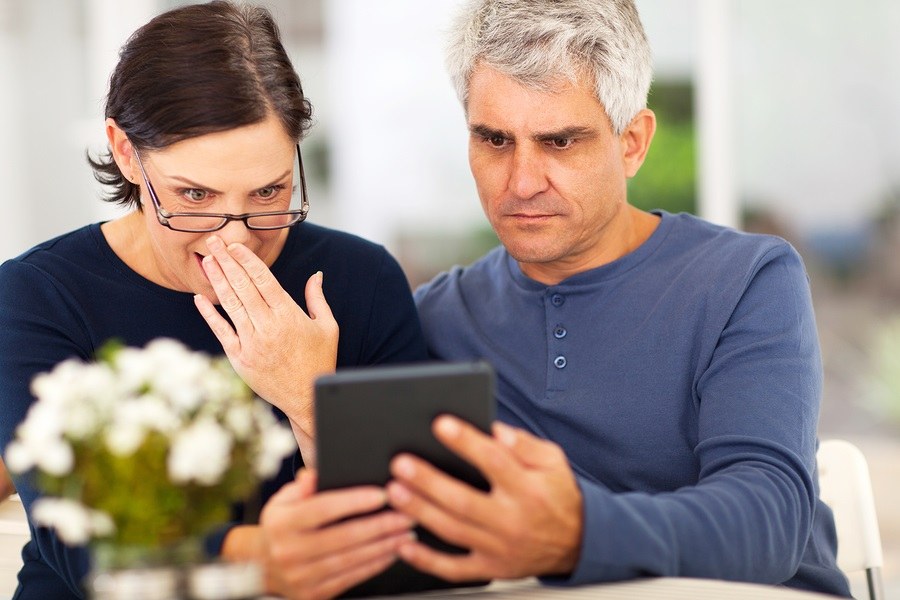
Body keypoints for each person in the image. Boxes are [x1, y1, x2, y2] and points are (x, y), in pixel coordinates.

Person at [387, 0, 853, 597]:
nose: (522, 182)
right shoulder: (439, 318)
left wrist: (580, 533)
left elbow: (770, 520)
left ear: (632, 142)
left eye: (559, 141)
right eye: (495, 139)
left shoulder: (746, 280)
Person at [0, 2, 425, 599]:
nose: (235, 236)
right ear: (126, 153)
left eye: (270, 191)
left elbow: (420, 533)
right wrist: (260, 560)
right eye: (194, 194)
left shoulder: (361, 279)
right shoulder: (40, 295)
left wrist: (312, 401)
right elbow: (78, 543)